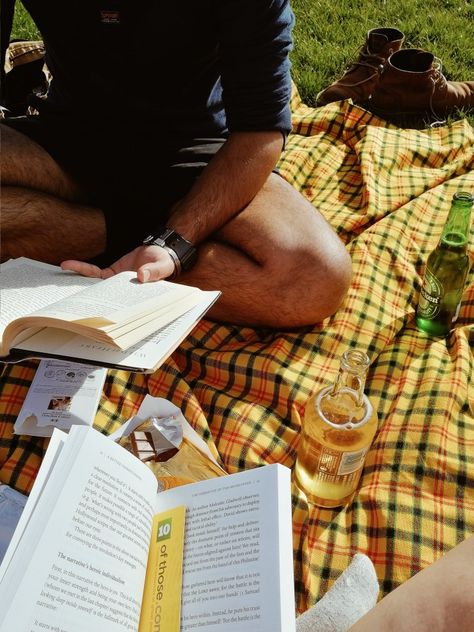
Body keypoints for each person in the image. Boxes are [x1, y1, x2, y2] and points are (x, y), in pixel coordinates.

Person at [0, 0, 352, 328]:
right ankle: (124, 242)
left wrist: (176, 242)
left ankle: (112, 244)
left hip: (194, 153)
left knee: (315, 279)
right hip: (65, 139)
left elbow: (259, 132)